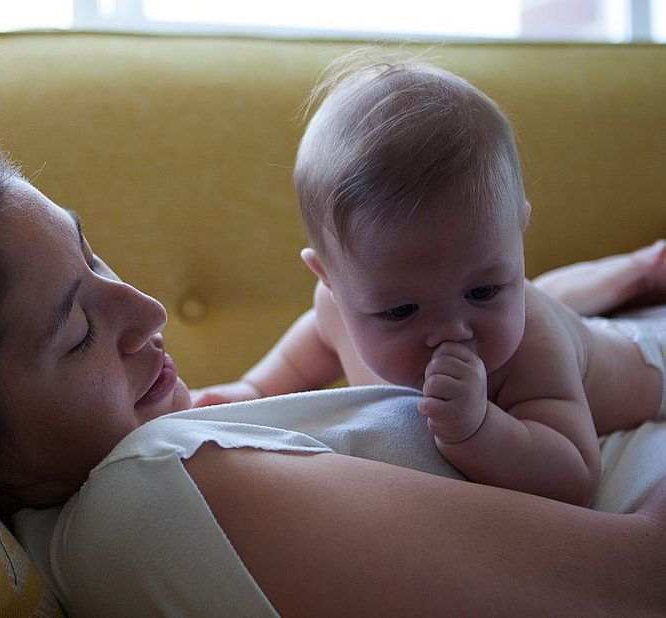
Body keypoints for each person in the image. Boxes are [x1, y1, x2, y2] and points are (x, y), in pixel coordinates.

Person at [0, 115, 666, 616]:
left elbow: (438, 330)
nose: (147, 313)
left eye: (96, 258)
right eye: (77, 332)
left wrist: (586, 293)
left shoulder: (157, 455)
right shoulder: (149, 500)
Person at [189, 56, 666, 507]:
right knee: (543, 296)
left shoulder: (532, 347)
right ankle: (627, 275)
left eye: (483, 291)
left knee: (549, 305)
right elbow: (316, 340)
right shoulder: (340, 304)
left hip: (646, 358)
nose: (452, 331)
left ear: (520, 233)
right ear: (330, 280)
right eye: (401, 311)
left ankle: (635, 274)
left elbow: (575, 479)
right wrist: (254, 389)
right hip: (570, 317)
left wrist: (479, 430)